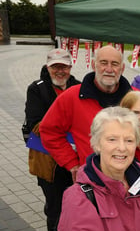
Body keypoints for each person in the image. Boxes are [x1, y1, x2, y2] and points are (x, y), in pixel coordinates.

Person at [40, 45, 132, 182]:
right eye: (103, 63)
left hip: (128, 179)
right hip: (91, 180)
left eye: (114, 64)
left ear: (122, 68)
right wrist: (71, 163)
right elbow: (49, 131)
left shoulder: (135, 98)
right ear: (94, 65)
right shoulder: (71, 97)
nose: (109, 69)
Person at [23, 48, 80, 231]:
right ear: (48, 67)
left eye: (63, 66)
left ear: (70, 67)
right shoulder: (37, 90)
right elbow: (36, 125)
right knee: (55, 206)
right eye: (55, 66)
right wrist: (65, 126)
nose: (60, 70)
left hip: (76, 160)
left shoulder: (79, 86)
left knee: (76, 206)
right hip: (49, 162)